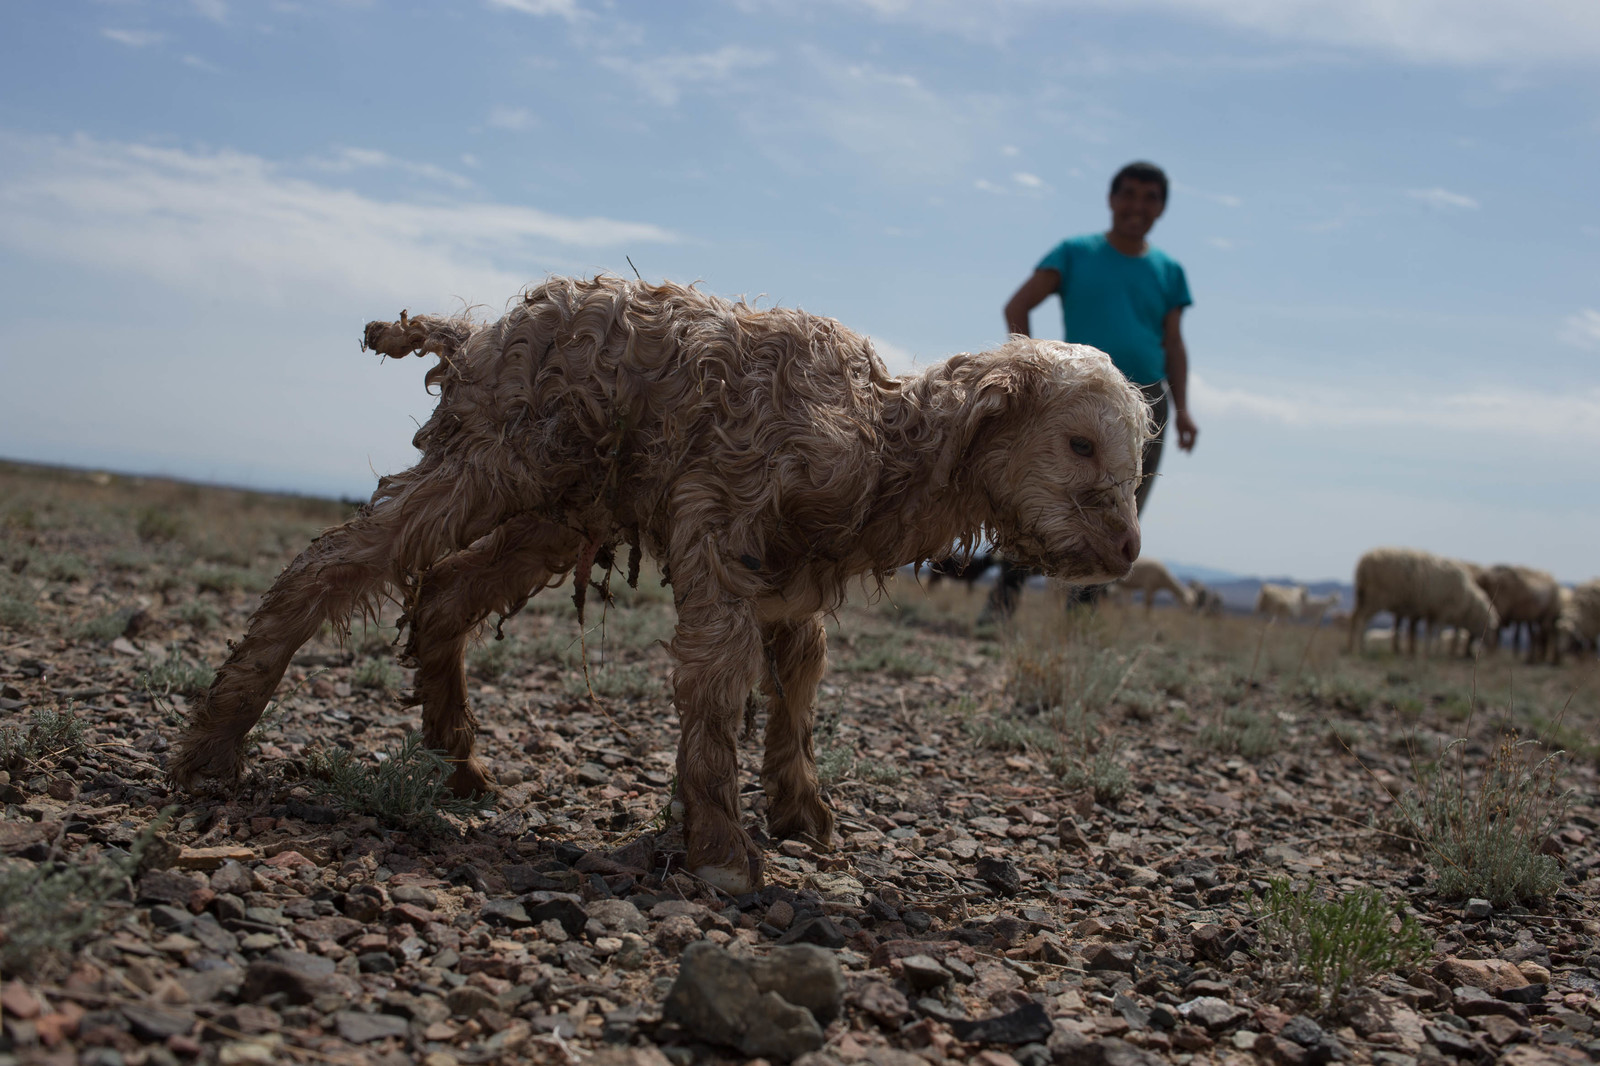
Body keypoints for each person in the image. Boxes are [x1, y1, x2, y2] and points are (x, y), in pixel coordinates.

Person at [982, 160, 1198, 622]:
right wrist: (1035, 372)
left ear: (1161, 208)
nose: (1138, 206)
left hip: (1147, 404)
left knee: (1121, 511)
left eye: (1150, 197)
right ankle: (1002, 605)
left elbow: (1174, 343)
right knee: (1041, 495)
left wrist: (1184, 412)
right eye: (1130, 194)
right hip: (1080, 400)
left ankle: (1079, 622)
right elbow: (1018, 305)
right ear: (1112, 199)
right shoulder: (1074, 253)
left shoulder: (1168, 271)